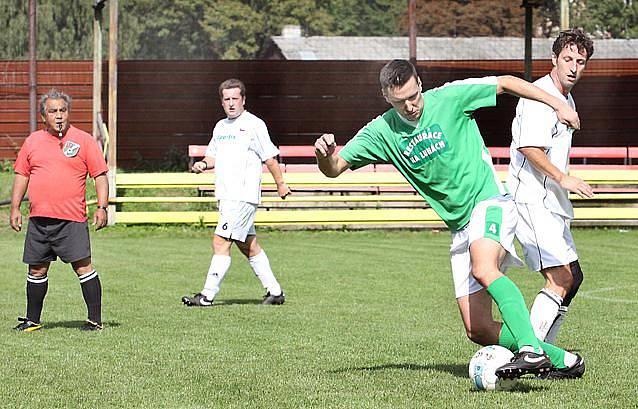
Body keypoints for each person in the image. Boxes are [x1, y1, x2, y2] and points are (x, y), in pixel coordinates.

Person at [314, 59, 584, 379]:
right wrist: (324, 156)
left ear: (420, 83)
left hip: (489, 202)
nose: (411, 106)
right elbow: (334, 168)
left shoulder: (451, 97)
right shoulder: (381, 131)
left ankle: (530, 350)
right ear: (386, 96)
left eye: (414, 96)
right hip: (459, 227)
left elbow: (506, 82)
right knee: (478, 329)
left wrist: (556, 103)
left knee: (484, 267)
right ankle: (565, 360)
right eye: (401, 102)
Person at [507, 29, 594, 344]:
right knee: (560, 278)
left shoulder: (565, 97)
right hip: (531, 200)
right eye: (567, 59)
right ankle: (528, 353)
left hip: (551, 204)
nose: (573, 67)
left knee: (574, 277)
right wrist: (564, 178)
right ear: (554, 59)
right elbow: (529, 148)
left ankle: (546, 351)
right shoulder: (539, 96)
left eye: (580, 61)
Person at [182, 78, 291, 307]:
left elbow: (269, 158)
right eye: (227, 99)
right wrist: (203, 164)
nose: (231, 103)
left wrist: (280, 183)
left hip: (242, 196)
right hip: (226, 196)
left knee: (220, 241)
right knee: (248, 244)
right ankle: (275, 292)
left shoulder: (254, 124)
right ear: (222, 102)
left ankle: (206, 295)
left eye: (235, 98)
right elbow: (212, 156)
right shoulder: (221, 127)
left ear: (243, 99)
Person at [10, 89, 109, 332]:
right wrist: (15, 208)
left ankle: (95, 321)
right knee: (36, 269)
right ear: (44, 115)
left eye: (62, 110)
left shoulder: (84, 140)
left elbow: (100, 175)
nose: (59, 115)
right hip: (39, 220)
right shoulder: (32, 141)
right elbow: (22, 175)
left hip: (71, 220)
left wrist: (102, 207)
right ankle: (32, 321)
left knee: (83, 267)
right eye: (53, 111)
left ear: (68, 112)